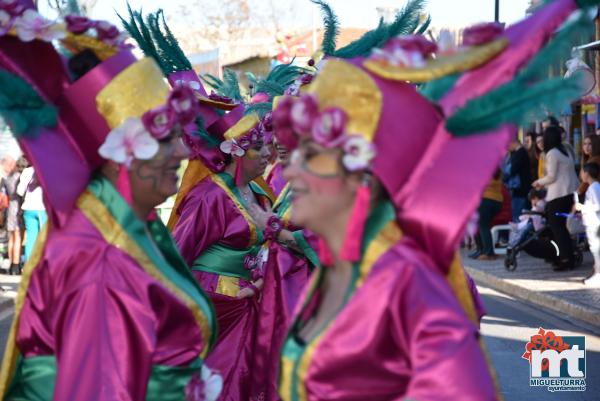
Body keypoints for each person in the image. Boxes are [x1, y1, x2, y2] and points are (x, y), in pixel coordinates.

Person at [0, 4, 219, 400]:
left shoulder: (129, 222)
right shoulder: (102, 259)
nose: (185, 153)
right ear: (123, 149)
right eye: (166, 138)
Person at [533, 126, 580, 270]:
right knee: (561, 228)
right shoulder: (565, 150)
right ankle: (567, 256)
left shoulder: (552, 153)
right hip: (569, 192)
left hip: (558, 195)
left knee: (557, 228)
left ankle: (565, 258)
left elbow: (552, 176)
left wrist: (538, 182)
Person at [575, 162, 600, 286]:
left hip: (595, 225)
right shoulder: (593, 187)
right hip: (592, 223)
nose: (580, 174)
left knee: (596, 250)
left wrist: (583, 207)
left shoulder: (594, 187)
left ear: (587, 173)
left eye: (581, 171)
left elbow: (598, 206)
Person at [470, 170, 503, 260]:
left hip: (485, 200)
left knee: (483, 226)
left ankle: (488, 252)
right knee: (480, 225)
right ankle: (481, 250)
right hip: (497, 201)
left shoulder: (484, 171)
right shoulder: (498, 171)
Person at [16, 165, 46, 264]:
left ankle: (28, 266)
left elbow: (19, 192)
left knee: (31, 239)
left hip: (28, 208)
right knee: (44, 239)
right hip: (42, 208)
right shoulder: (47, 169)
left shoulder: (26, 171)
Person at [1, 156, 23, 275]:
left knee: (11, 238)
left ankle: (10, 265)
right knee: (18, 237)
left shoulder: (5, 178)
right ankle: (16, 265)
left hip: (9, 208)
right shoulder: (18, 176)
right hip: (18, 207)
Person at [504, 138, 532, 221]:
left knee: (517, 216)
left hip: (520, 190)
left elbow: (512, 170)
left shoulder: (520, 154)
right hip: (520, 190)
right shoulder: (517, 153)